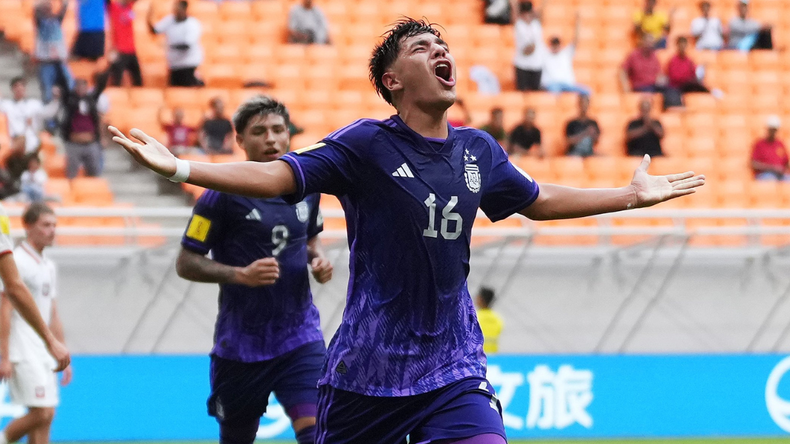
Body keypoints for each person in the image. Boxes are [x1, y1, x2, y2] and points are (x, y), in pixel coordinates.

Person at [110, 19, 705, 443]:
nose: (440, 51)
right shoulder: (366, 143)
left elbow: (539, 199)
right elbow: (280, 176)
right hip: (368, 371)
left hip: (453, 363)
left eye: (442, 44)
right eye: (423, 48)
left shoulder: (480, 150)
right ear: (393, 81)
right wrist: (183, 168)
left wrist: (629, 196)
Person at [176, 95, 332, 444]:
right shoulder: (220, 195)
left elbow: (310, 241)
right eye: (259, 132)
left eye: (278, 130)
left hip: (300, 337)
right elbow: (185, 262)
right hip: (241, 346)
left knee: (318, 433)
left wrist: (317, 260)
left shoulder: (307, 190)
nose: (271, 139)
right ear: (240, 141)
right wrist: (239, 274)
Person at [0, 203, 70, 444]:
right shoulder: (17, 261)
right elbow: (5, 308)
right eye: (45, 225)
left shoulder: (48, 265)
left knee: (45, 417)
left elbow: (53, 313)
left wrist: (62, 351)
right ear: (28, 226)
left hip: (43, 350)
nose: (52, 230)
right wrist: (4, 356)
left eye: (54, 225)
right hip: (22, 347)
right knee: (43, 412)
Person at [55, 64, 112, 179]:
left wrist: (108, 67)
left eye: (83, 86)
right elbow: (64, 87)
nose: (81, 88)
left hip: (90, 142)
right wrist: (60, 67)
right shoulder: (70, 101)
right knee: (72, 173)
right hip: (73, 143)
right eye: (78, 86)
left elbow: (100, 86)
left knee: (94, 174)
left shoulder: (91, 100)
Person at [0, 78, 60, 179]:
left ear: (25, 89)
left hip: (31, 145)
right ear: (12, 90)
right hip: (14, 146)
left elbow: (49, 113)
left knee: (33, 174)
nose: (19, 89)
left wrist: (56, 99)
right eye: (16, 87)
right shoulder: (7, 105)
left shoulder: (34, 104)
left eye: (21, 86)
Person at [148, 1, 203, 87]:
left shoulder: (192, 24)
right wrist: (149, 17)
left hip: (188, 63)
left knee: (187, 89)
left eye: (177, 8)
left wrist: (169, 46)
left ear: (184, 9)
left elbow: (186, 45)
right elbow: (154, 30)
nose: (175, 11)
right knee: (174, 89)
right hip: (174, 64)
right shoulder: (170, 20)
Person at [33, 0, 72, 104]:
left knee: (70, 85)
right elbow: (36, 12)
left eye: (49, 7)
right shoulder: (41, 22)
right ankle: (50, 119)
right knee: (47, 92)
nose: (48, 9)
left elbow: (64, 8)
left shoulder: (56, 20)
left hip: (59, 61)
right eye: (45, 7)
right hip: (46, 62)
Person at [541, 13, 589, 95]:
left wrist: (578, 22)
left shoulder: (566, 53)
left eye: (557, 44)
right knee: (554, 94)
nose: (555, 47)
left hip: (567, 84)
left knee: (586, 92)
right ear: (550, 45)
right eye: (554, 44)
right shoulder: (544, 54)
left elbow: (576, 40)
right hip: (551, 84)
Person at [107, 0, 143, 86]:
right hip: (120, 50)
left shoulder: (130, 6)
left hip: (132, 50)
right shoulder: (114, 7)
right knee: (117, 79)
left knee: (138, 79)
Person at [513, 1, 545, 91]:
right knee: (521, 92)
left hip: (536, 64)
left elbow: (542, 10)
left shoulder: (536, 24)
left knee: (536, 93)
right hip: (522, 64)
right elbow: (514, 10)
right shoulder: (519, 25)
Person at [751, 115, 789, 181]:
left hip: (780, 175)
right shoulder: (760, 144)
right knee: (770, 180)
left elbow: (786, 162)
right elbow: (754, 164)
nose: (773, 132)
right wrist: (772, 168)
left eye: (774, 130)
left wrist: (783, 169)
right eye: (771, 130)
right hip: (765, 174)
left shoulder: (780, 144)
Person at [474, 287, 503, 355]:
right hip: (493, 355)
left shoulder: (474, 317)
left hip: (477, 355)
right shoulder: (497, 318)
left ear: (481, 299)